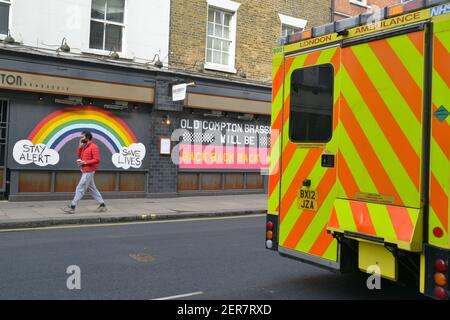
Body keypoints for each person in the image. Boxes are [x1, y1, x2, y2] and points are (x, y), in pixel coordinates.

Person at [62, 130, 107, 214]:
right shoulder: (84, 146)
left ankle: (72, 207)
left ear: (87, 137)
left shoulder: (94, 147)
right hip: (85, 170)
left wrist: (85, 162)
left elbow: (97, 160)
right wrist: (80, 147)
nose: (81, 138)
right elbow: (79, 156)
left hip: (88, 171)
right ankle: (102, 205)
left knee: (80, 188)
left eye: (82, 137)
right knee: (92, 189)